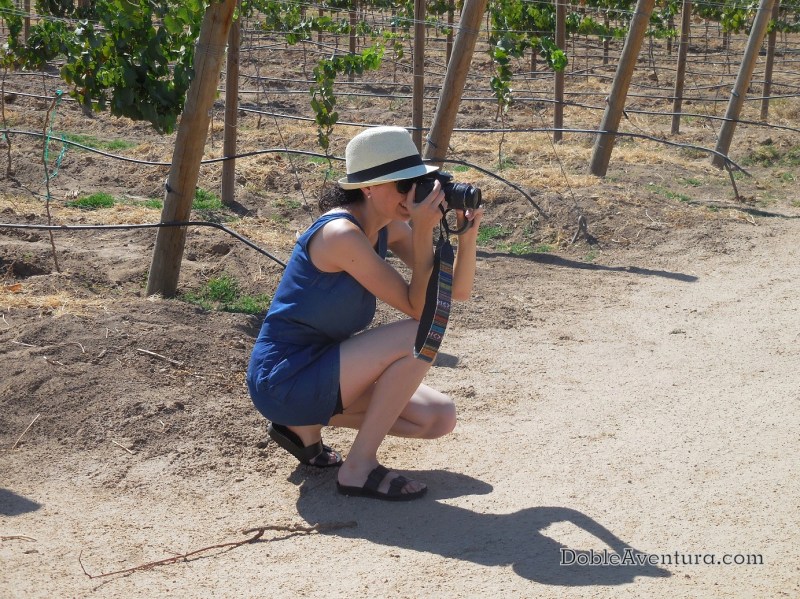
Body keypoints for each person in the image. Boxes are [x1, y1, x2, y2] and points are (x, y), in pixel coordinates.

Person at [246, 126, 483, 501]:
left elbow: (461, 292)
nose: (412, 193)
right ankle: (359, 468)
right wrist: (422, 232)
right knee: (416, 334)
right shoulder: (340, 235)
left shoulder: (391, 228)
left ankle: (300, 426)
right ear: (368, 187)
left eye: (416, 181)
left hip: (323, 368)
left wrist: (466, 236)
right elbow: (420, 312)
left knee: (440, 417)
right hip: (285, 375)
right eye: (401, 184)